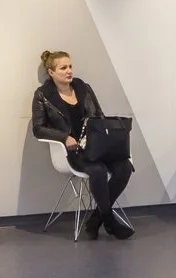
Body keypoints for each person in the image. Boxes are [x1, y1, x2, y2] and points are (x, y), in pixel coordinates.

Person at [31, 50, 135, 239]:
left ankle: (97, 219)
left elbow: (100, 116)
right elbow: (38, 128)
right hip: (73, 152)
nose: (69, 71)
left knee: (124, 167)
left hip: (97, 146)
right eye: (63, 68)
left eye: (70, 66)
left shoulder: (83, 87)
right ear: (51, 72)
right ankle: (110, 223)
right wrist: (64, 137)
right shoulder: (42, 95)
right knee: (98, 171)